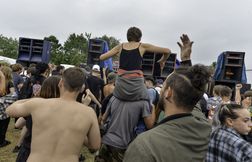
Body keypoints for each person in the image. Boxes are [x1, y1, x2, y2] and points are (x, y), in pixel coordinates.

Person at [6, 67, 101, 162]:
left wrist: (34, 99)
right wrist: (79, 134)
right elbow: (95, 145)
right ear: (82, 88)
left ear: (61, 83)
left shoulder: (38, 104)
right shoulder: (89, 113)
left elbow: (10, 110)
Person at [124, 64, 212, 162]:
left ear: (168, 92)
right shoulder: (206, 130)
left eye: (163, 86)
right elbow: (191, 91)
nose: (161, 90)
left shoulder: (144, 146)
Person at [100, 26, 171, 101]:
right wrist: (162, 60)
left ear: (128, 36)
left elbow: (102, 57)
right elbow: (168, 51)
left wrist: (117, 53)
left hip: (121, 84)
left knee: (111, 101)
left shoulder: (120, 46)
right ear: (139, 38)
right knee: (147, 102)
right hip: (136, 84)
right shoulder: (142, 46)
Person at [15, 76, 61, 162]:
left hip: (29, 149)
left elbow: (18, 124)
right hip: (50, 152)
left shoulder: (35, 105)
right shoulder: (62, 109)